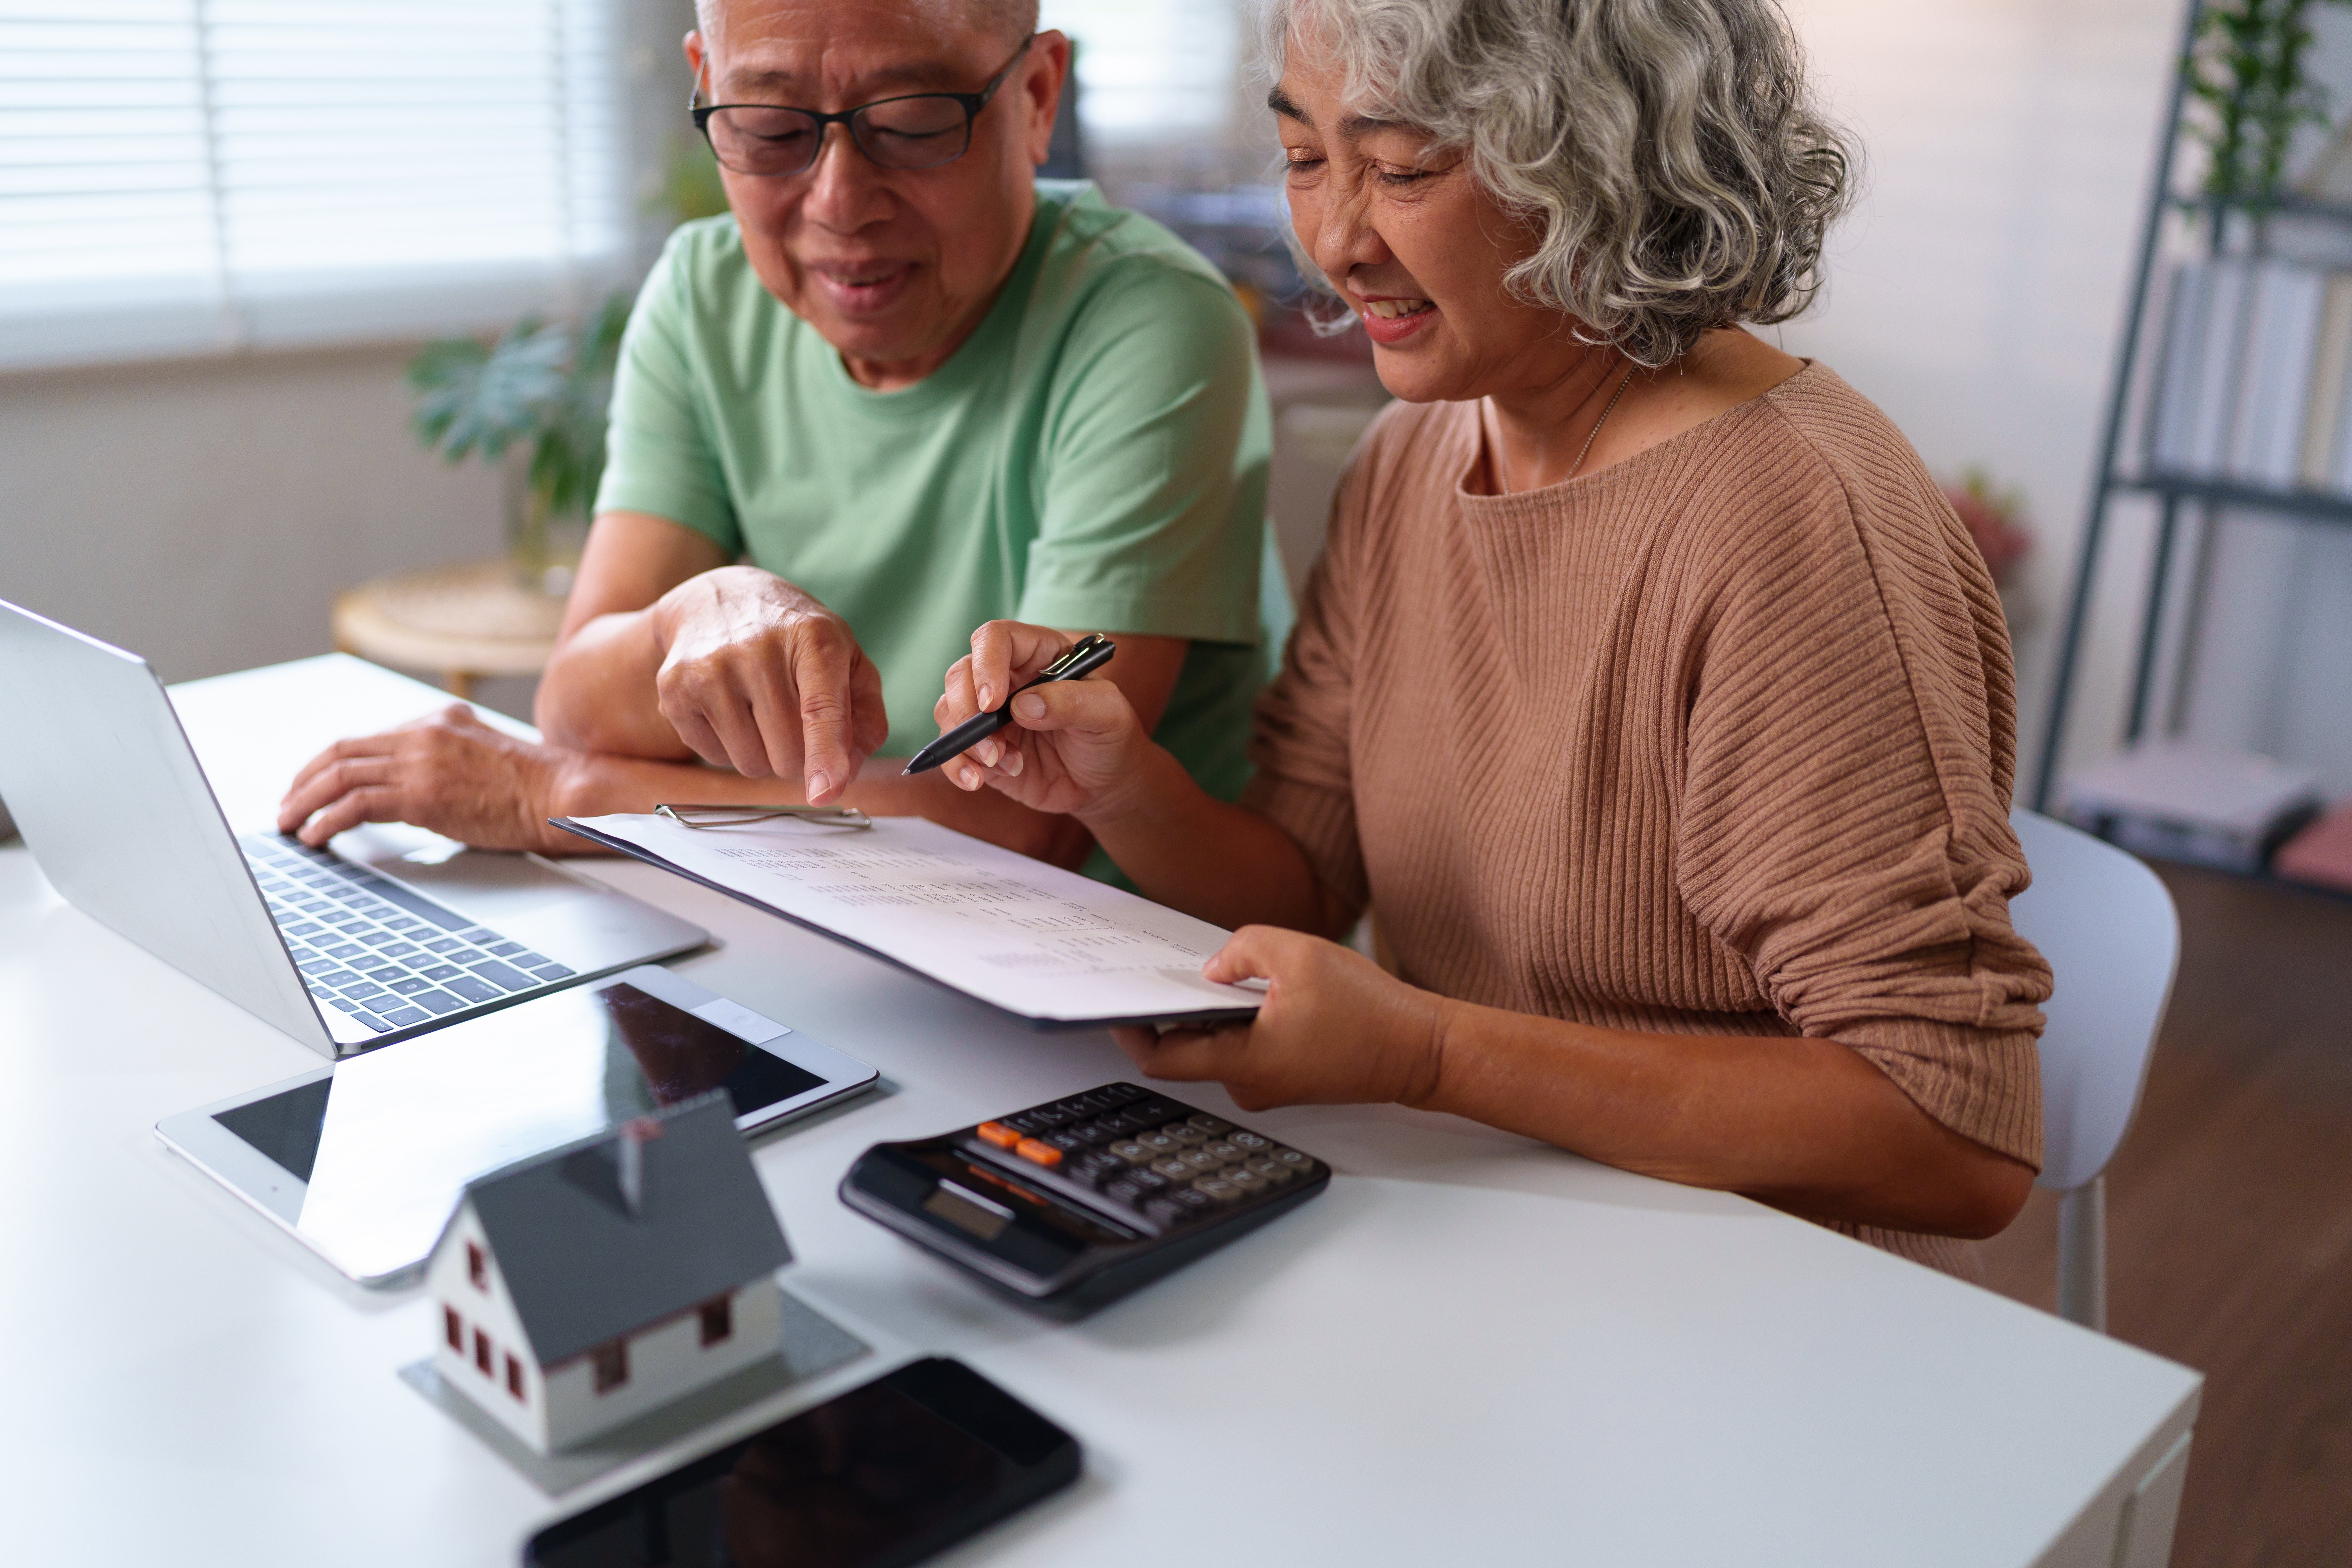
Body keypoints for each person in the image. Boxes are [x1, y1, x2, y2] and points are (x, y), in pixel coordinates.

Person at [924, 0, 2052, 1275]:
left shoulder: (1788, 526)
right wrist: (1122, 784)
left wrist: (1432, 1052)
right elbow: (1305, 882)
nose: (1337, 245)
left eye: (1402, 170)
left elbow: (1953, 1133)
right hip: (1461, 1217)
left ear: (1601, 162)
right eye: (1305, 160)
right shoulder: (1416, 452)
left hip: (1724, 1290)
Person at [277, 0, 1280, 877]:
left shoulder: (1148, 322)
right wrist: (690, 616)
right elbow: (576, 702)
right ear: (708, 88)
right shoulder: (707, 294)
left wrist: (561, 797)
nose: (839, 202)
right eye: (768, 128)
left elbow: (1022, 826)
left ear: (1036, 96)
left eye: (913, 123)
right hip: (817, 917)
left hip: (1112, 984)